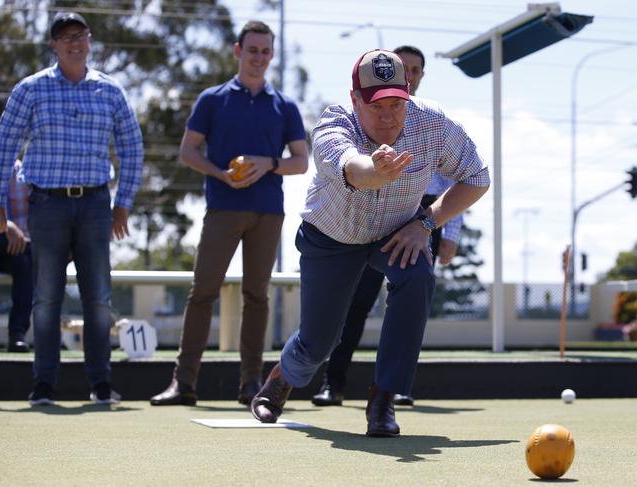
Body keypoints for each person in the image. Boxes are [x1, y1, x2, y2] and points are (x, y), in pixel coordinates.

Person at [250, 49, 489, 437]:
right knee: (319, 341)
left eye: (396, 103)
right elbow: (350, 166)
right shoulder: (334, 122)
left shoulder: (434, 124)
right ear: (355, 98)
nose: (388, 115)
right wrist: (373, 170)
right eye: (376, 105)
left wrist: (427, 223)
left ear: (409, 93)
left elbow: (476, 177)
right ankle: (281, 378)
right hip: (332, 236)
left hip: (396, 233)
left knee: (418, 274)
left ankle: (383, 400)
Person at [0, 12, 144, 405]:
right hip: (46, 204)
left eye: (80, 35)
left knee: (98, 296)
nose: (74, 42)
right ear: (53, 46)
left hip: (95, 205)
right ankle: (43, 384)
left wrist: (123, 204)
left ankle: (100, 383)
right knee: (46, 297)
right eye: (65, 37)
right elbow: (4, 146)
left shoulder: (109, 91)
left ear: (89, 40)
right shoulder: (31, 89)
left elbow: (132, 148)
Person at [150, 20, 308, 407]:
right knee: (202, 292)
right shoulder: (213, 99)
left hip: (267, 212)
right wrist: (220, 173)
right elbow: (188, 151)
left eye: (265, 51)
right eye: (252, 50)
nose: (259, 57)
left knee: (257, 296)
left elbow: (302, 162)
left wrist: (268, 163)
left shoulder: (284, 106)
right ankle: (183, 383)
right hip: (222, 208)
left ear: (272, 54)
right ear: (238, 51)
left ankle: (251, 384)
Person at [312, 45, 464, 408]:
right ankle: (333, 382)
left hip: (424, 218)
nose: (408, 75)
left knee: (413, 297)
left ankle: (394, 387)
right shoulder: (365, 120)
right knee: (355, 303)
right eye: (403, 67)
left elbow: (457, 179)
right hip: (369, 214)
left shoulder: (434, 123)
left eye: (415, 70)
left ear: (418, 79)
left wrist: (446, 231)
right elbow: (345, 163)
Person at [0, 121, 33, 353]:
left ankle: (17, 333)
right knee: (27, 253)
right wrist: (7, 226)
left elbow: (35, 216)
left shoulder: (22, 172)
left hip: (13, 250)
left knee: (24, 262)